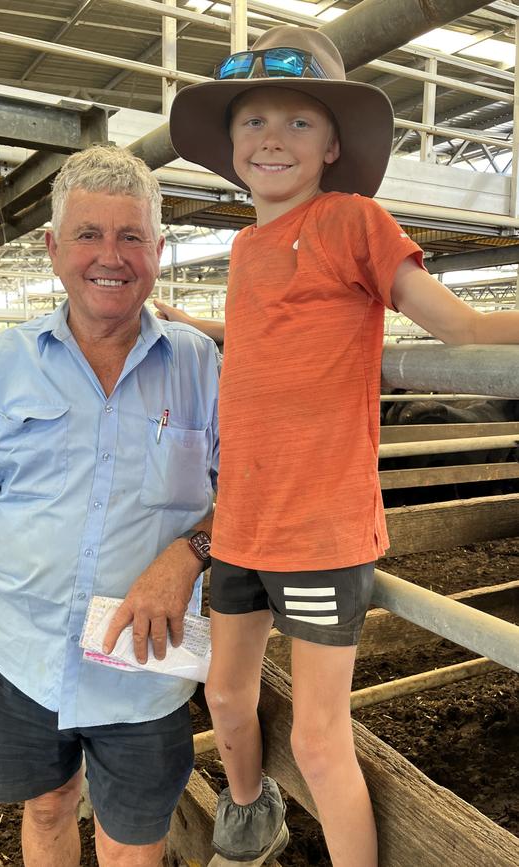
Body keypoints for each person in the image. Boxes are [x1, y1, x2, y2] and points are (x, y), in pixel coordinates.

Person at [167, 25, 519, 867]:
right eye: (253, 123)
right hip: (245, 517)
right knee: (222, 691)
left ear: (331, 146)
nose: (272, 139)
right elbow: (270, 332)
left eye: (297, 122)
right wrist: (199, 325)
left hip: (321, 526)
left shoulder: (354, 220)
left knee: (323, 738)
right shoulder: (247, 247)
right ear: (230, 146)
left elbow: (459, 324)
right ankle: (251, 813)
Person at [0, 144, 220, 867]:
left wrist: (189, 553)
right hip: (22, 653)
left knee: (131, 837)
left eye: (131, 236)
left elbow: (248, 493)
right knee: (48, 804)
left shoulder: (202, 364)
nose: (109, 256)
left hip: (146, 669)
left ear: (157, 249)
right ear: (54, 248)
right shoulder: (0, 365)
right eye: (89, 234)